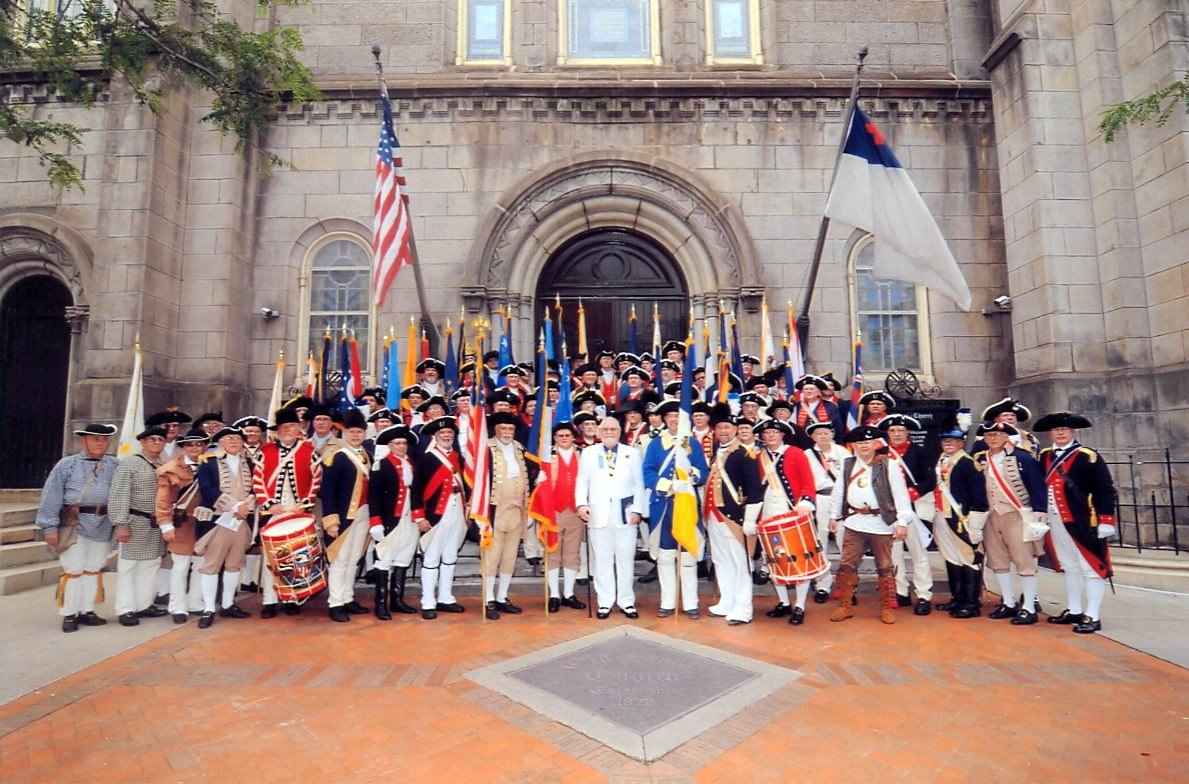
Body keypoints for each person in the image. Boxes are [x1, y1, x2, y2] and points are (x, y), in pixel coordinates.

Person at [1034, 412, 1118, 634]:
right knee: (1069, 566)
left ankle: (1092, 615)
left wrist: (1106, 519)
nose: (1060, 432)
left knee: (1091, 567)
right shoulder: (1044, 456)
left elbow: (1105, 489)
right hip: (1056, 520)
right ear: (1051, 433)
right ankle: (1074, 609)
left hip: (1083, 519)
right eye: (1056, 429)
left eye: (1065, 429)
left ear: (1073, 432)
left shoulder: (1087, 456)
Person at [828, 425, 916, 624]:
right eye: (859, 443)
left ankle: (886, 607)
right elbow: (839, 492)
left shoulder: (889, 465)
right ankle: (845, 605)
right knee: (847, 565)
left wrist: (902, 520)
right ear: (854, 445)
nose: (863, 446)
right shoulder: (847, 464)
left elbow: (901, 495)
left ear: (876, 443)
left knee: (885, 566)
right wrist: (834, 516)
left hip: (881, 523)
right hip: (854, 521)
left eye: (867, 442)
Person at [37, 423, 119, 633]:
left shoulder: (115, 465)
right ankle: (69, 613)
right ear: (84, 440)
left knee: (93, 568)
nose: (100, 443)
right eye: (95, 438)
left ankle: (87, 610)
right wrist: (49, 527)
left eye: (103, 439)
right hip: (74, 524)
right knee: (74, 569)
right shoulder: (67, 464)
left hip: (103, 524)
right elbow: (52, 494)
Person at [642, 400, 709, 618]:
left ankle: (691, 603)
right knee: (665, 556)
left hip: (686, 504)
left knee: (688, 556)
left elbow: (702, 471)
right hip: (663, 506)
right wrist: (665, 486)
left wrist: (691, 477)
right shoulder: (655, 444)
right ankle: (667, 602)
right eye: (670, 416)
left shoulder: (692, 444)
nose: (673, 420)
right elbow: (648, 471)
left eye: (677, 417)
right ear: (664, 419)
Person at [976, 420, 1047, 625]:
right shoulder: (981, 459)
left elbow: (1037, 486)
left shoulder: (1022, 457)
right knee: (998, 561)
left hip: (1017, 513)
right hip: (991, 515)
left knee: (1024, 560)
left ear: (1007, 437)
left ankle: (1029, 607)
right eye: (989, 436)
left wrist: (1039, 512)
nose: (993, 439)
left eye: (997, 435)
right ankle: (1008, 602)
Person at [253, 407, 322, 618]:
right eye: (285, 427)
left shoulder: (309, 451)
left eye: (293, 426)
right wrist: (267, 504)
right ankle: (269, 600)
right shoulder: (265, 451)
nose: (289, 430)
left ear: (299, 428)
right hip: (273, 511)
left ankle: (293, 597)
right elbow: (258, 481)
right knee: (271, 557)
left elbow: (317, 479)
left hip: (298, 510)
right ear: (278, 430)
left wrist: (306, 503)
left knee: (296, 555)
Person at [576, 416, 647, 619]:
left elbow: (638, 484)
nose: (609, 432)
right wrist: (581, 504)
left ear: (619, 432)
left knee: (625, 560)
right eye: (605, 429)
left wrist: (637, 510)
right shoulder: (589, 453)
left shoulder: (631, 453)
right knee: (602, 561)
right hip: (598, 516)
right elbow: (582, 481)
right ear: (599, 432)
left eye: (613, 429)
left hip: (626, 516)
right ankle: (605, 602)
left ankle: (626, 601)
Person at [749, 419, 818, 624]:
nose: (770, 436)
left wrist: (806, 503)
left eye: (774, 432)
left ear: (782, 435)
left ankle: (800, 605)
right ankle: (784, 602)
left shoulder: (796, 453)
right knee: (773, 559)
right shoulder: (758, 456)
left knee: (798, 559)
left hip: (792, 511)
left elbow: (808, 481)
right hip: (768, 512)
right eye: (766, 433)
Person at [703, 404, 762, 625]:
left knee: (741, 563)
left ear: (736, 429)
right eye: (720, 428)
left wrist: (749, 520)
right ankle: (727, 601)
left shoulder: (744, 454)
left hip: (734, 517)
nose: (724, 431)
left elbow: (755, 490)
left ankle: (743, 608)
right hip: (714, 516)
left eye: (728, 427)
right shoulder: (717, 453)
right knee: (721, 560)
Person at [194, 427, 257, 628]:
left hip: (241, 521)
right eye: (229, 438)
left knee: (234, 563)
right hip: (218, 520)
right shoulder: (208, 462)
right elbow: (207, 489)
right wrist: (235, 506)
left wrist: (246, 505)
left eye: (238, 438)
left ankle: (228, 604)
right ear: (220, 442)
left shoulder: (249, 462)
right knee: (211, 564)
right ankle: (209, 608)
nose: (234, 442)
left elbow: (256, 487)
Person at [109, 425, 169, 626]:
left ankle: (143, 604)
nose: (156, 443)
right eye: (152, 439)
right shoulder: (129, 464)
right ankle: (125, 609)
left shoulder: (165, 464)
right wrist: (121, 524)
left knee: (151, 565)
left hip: (156, 522)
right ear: (142, 442)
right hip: (134, 521)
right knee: (129, 566)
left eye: (160, 440)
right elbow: (119, 494)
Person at [482, 411, 537, 620]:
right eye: (503, 428)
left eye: (511, 429)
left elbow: (531, 475)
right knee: (492, 557)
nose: (507, 432)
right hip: (494, 510)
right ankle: (488, 599)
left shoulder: (520, 449)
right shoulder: (486, 449)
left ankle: (502, 597)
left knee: (509, 557)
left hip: (517, 510)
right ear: (495, 430)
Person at [880, 413, 937, 614]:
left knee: (918, 553)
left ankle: (923, 595)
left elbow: (931, 480)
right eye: (893, 430)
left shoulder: (920, 452)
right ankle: (901, 591)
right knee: (894, 555)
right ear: (887, 433)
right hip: (889, 510)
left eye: (901, 430)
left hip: (913, 508)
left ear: (908, 433)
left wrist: (912, 493)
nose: (896, 434)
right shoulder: (880, 454)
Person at [412, 416, 468, 619]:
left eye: (449, 433)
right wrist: (419, 517)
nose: (447, 436)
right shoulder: (427, 458)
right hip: (436, 514)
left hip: (457, 511)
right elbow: (416, 490)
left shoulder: (457, 457)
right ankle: (428, 601)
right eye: (443, 433)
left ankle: (446, 597)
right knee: (432, 557)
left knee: (450, 556)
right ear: (435, 436)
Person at [319, 409, 373, 622]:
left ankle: (348, 597)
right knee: (340, 561)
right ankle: (335, 602)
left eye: (359, 432)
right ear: (344, 433)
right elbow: (328, 491)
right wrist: (331, 520)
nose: (356, 435)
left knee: (353, 559)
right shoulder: (336, 457)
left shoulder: (365, 455)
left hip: (363, 514)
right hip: (343, 516)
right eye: (352, 432)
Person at [931, 426, 989, 618]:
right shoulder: (942, 460)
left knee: (969, 558)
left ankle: (971, 603)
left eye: (953, 441)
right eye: (945, 440)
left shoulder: (967, 463)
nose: (948, 443)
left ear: (961, 443)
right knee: (951, 556)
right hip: (943, 515)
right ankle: (958, 598)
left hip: (962, 518)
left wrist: (976, 524)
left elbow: (979, 497)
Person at [368, 425, 421, 618]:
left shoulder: (412, 464)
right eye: (397, 443)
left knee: (403, 558)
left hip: (410, 519)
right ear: (389, 445)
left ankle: (397, 600)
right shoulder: (381, 465)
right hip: (391, 519)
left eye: (404, 443)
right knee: (384, 560)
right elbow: (373, 496)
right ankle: (380, 604)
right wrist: (375, 522)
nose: (401, 446)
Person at [156, 428, 208, 623]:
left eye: (199, 444)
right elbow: (162, 500)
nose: (194, 448)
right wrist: (165, 524)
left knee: (201, 564)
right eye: (190, 444)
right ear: (183, 447)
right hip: (181, 522)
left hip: (203, 522)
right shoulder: (170, 469)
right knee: (180, 566)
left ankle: (194, 601)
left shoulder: (210, 465)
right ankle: (177, 606)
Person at [804, 421, 851, 603]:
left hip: (841, 499)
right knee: (819, 542)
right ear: (813, 437)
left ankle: (847, 585)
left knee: (845, 542)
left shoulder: (843, 452)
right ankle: (822, 584)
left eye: (826, 433)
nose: (823, 436)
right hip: (819, 500)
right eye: (818, 434)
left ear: (832, 434)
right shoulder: (807, 455)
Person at [545, 422, 587, 612]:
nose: (564, 438)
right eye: (560, 435)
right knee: (553, 553)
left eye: (567, 435)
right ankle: (554, 594)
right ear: (554, 438)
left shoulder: (584, 457)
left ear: (573, 437)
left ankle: (569, 594)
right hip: (553, 511)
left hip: (576, 511)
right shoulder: (547, 457)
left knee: (572, 553)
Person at [973, 397, 1040, 457]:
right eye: (1005, 415)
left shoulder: (1029, 437)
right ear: (996, 419)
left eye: (1013, 415)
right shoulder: (986, 438)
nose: (1010, 418)